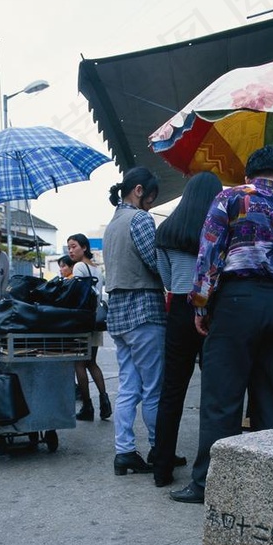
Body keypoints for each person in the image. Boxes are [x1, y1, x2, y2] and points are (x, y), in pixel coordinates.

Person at [170, 145, 273, 503]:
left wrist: (200, 306)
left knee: (223, 397)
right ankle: (268, 488)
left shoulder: (229, 199)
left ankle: (210, 485)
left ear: (248, 175)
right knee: (270, 397)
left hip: (237, 301)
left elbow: (209, 254)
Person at [151, 171, 223, 487]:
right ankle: (210, 468)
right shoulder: (221, 228)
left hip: (179, 309)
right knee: (215, 392)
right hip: (214, 310)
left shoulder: (166, 231)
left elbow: (165, 281)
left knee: (172, 391)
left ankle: (162, 468)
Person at [102, 167, 166, 475]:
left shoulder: (112, 225)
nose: (151, 205)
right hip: (143, 310)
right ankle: (159, 449)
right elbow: (155, 263)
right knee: (154, 387)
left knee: (128, 387)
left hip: (118, 313)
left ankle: (124, 451)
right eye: (151, 198)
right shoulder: (139, 219)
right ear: (138, 191)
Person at [66, 233, 112, 421]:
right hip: (95, 320)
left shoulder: (78, 267)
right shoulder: (96, 269)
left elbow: (76, 295)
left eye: (74, 246)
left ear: (84, 247)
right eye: (68, 247)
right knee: (92, 362)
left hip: (80, 321)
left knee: (79, 363)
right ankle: (105, 401)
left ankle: (87, 406)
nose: (70, 250)